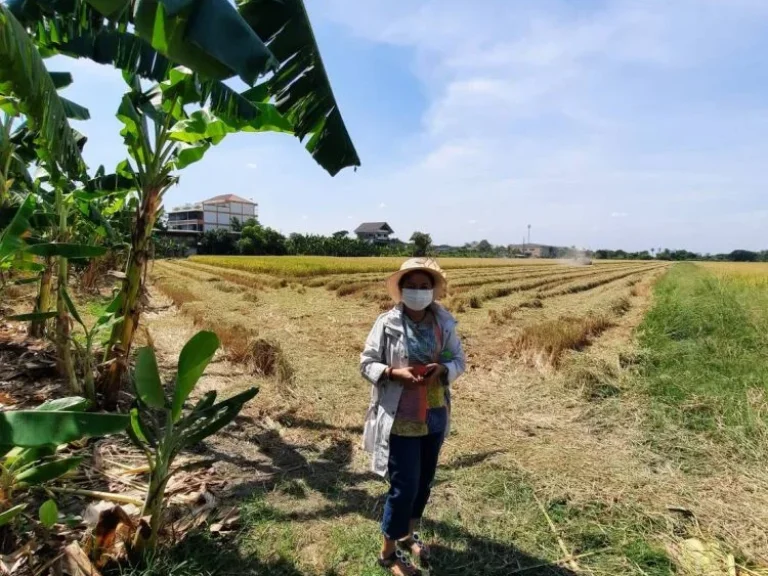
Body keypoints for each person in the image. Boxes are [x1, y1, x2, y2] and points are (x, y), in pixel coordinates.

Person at [360, 258, 466, 576]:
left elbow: (459, 359)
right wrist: (393, 372)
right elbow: (366, 363)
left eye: (424, 287)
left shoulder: (443, 322)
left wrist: (444, 369)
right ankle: (388, 554)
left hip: (433, 414)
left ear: (433, 291)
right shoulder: (386, 322)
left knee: (423, 483)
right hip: (401, 416)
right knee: (404, 486)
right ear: (401, 289)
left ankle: (407, 535)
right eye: (411, 286)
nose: (418, 292)